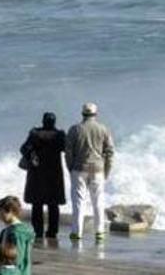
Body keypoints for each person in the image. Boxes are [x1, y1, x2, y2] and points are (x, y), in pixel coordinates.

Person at [66, 102, 115, 241]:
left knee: (78, 201)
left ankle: (77, 232)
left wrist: (70, 167)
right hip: (98, 168)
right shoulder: (103, 129)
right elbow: (110, 152)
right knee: (98, 200)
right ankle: (99, 231)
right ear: (96, 114)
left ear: (82, 114)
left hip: (79, 168)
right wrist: (107, 170)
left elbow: (68, 152)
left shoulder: (75, 129)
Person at [20, 112, 66, 239]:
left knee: (37, 203)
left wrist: (32, 155)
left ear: (43, 121)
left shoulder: (34, 133)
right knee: (53, 204)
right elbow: (66, 149)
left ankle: (38, 231)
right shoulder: (59, 135)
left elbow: (23, 148)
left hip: (37, 173)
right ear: (54, 122)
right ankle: (52, 232)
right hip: (54, 174)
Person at [0, 196, 35, 275]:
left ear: (10, 211)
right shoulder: (10, 230)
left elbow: (18, 257)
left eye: (1, 212)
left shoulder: (17, 232)